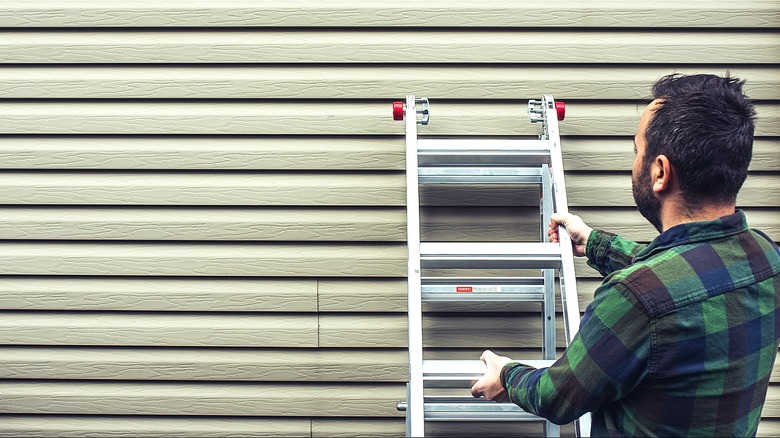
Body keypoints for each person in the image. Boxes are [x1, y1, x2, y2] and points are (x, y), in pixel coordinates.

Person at [470, 73, 780, 437]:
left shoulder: (632, 299)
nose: (635, 163)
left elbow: (558, 396)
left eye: (638, 151)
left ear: (660, 172)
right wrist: (595, 243)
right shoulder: (767, 258)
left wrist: (506, 374)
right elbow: (690, 277)